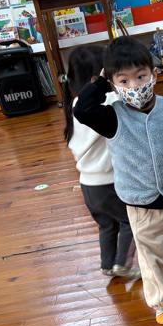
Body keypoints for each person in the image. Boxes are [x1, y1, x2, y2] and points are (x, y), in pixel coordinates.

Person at [74, 36, 163, 326]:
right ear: (113, 85)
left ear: (154, 74)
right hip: (141, 204)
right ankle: (162, 306)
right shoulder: (112, 117)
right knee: (151, 257)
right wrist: (101, 83)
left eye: (140, 76)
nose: (134, 86)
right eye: (123, 81)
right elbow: (82, 110)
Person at [63, 46, 140, 281]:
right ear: (98, 77)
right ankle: (123, 264)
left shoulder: (75, 105)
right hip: (108, 183)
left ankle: (107, 265)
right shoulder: (107, 101)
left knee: (107, 226)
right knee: (131, 220)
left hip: (88, 185)